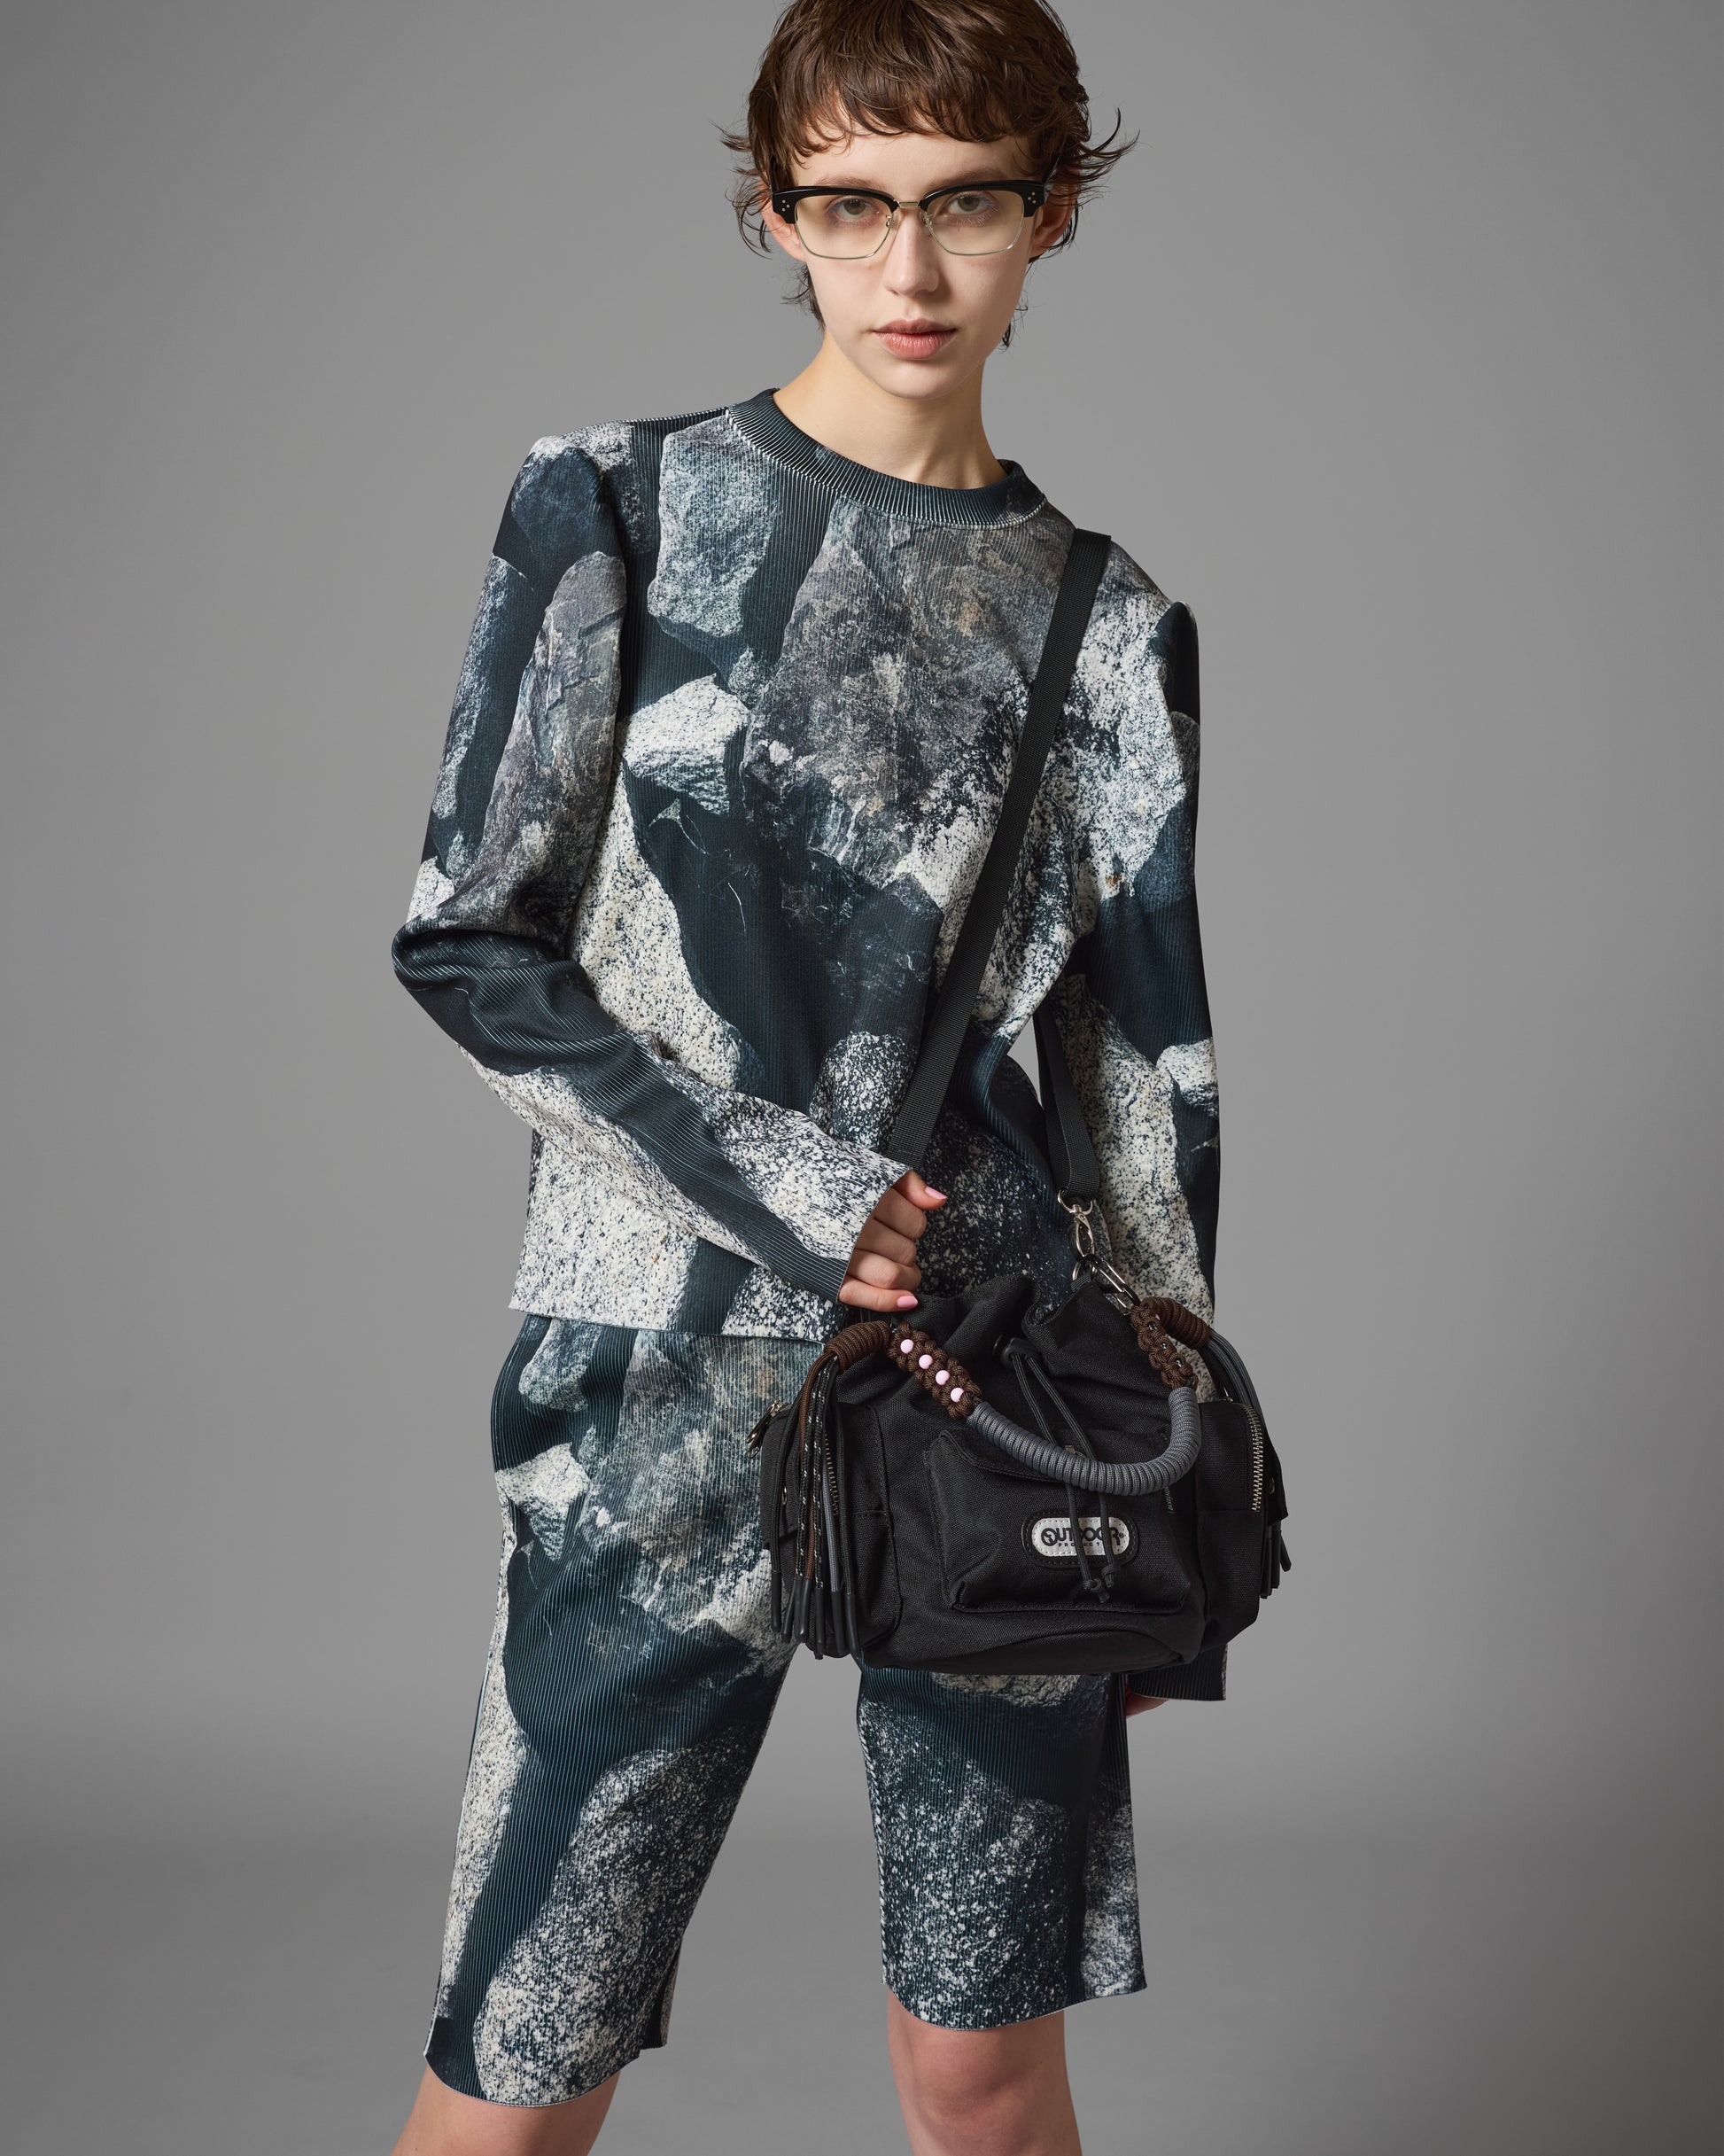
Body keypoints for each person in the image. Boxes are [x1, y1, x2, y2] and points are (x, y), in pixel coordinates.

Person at [389, 4, 1223, 2150]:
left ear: (1050, 214)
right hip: (655, 1383)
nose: (908, 270)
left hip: (1002, 1385)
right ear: (773, 213)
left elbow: (1138, 1076)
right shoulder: (614, 505)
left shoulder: (1107, 624)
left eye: (965, 207)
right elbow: (470, 936)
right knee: (523, 2053)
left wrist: (1163, 1466)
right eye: (848, 207)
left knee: (982, 2064)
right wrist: (786, 1183)